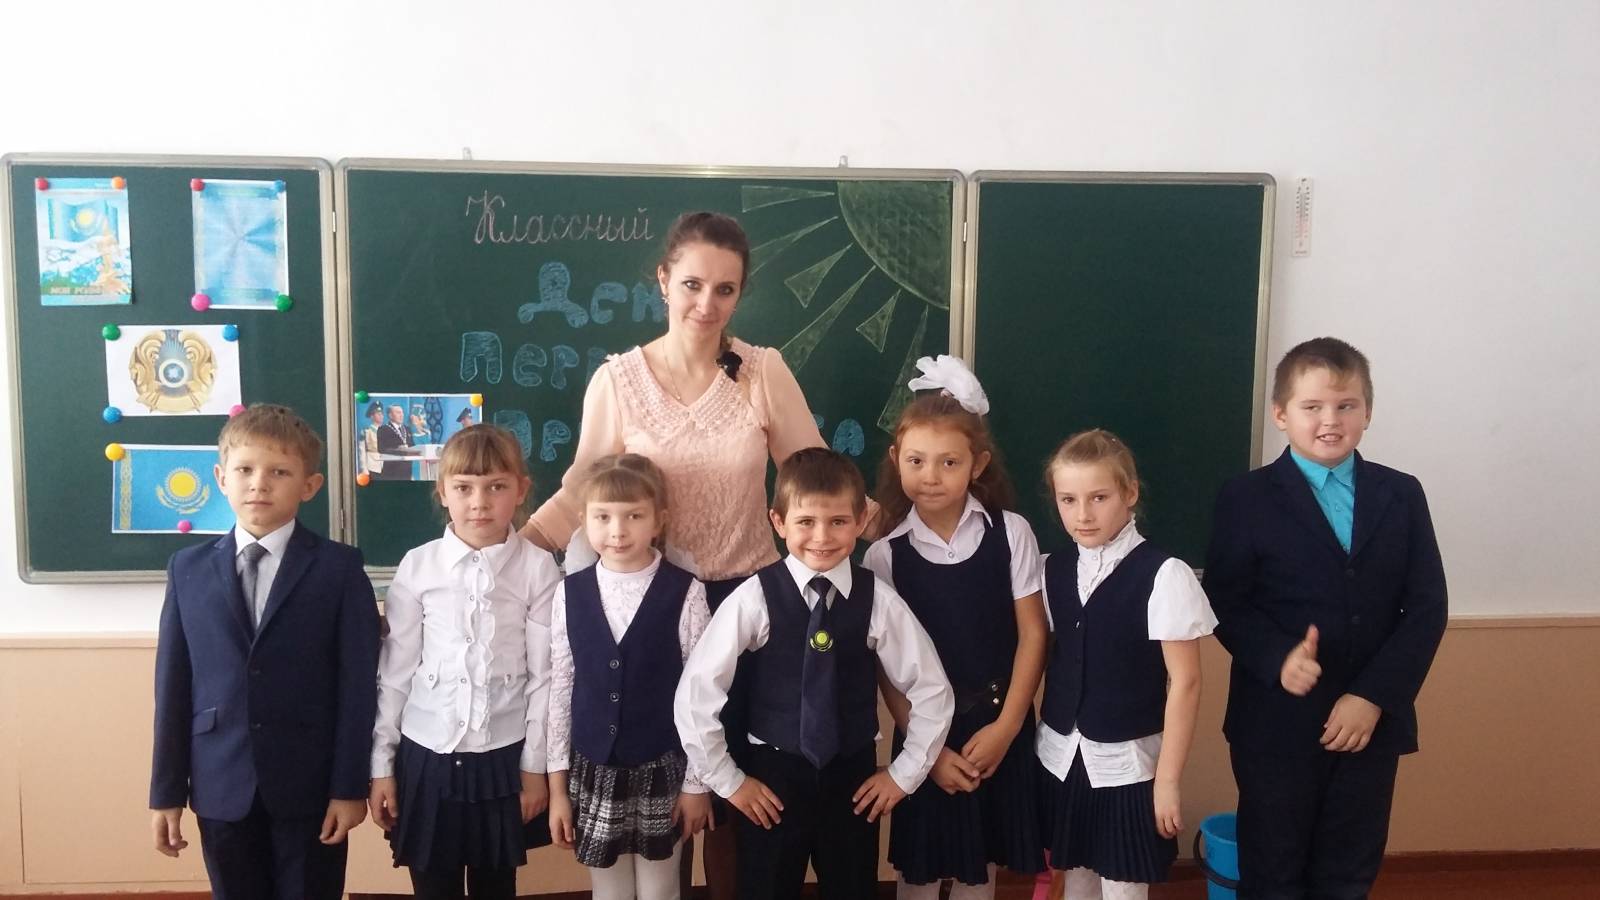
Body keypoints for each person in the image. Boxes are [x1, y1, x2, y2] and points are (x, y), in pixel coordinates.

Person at [523, 211, 828, 898]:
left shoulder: (762, 372)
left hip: (753, 606)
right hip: (655, 607)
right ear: (663, 280)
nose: (706, 304)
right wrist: (511, 553)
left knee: (737, 788)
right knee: (667, 781)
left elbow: (814, 477)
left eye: (725, 289)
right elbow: (582, 491)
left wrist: (889, 519)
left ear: (741, 293)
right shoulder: (619, 381)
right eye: (692, 284)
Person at [1204, 337, 1447, 900]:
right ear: (1281, 415)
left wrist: (1373, 697)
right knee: (1274, 872)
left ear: (1368, 412)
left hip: (1369, 726)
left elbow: (1427, 607)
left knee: (1348, 872)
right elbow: (1225, 600)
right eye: (1312, 407)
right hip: (1275, 726)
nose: (1330, 420)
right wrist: (1278, 658)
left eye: (1346, 405)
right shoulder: (1245, 497)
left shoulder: (1402, 494)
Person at [675, 448, 954, 900]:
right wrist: (729, 781)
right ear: (778, 521)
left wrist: (903, 775)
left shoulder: (877, 600)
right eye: (806, 521)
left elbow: (931, 688)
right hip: (772, 782)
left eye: (838, 521)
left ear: (861, 521)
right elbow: (696, 692)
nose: (822, 537)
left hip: (852, 782)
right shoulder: (754, 597)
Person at [149, 404, 380, 900]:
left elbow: (358, 687)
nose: (259, 484)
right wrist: (166, 792)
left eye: (279, 472)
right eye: (245, 470)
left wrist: (348, 787)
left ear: (309, 485)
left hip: (310, 785)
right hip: (219, 782)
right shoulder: (187, 569)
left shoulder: (338, 569)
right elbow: (172, 687)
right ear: (221, 478)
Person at [863, 356, 1047, 898]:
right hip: (925, 733)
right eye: (917, 460)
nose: (931, 475)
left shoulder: (1010, 533)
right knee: (917, 874)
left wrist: (1007, 728)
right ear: (896, 460)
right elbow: (888, 671)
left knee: (979, 873)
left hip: (997, 725)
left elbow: (1034, 635)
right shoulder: (884, 555)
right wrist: (927, 752)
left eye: (949, 462)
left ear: (978, 463)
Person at [369, 424, 561, 900]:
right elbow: (395, 674)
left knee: (497, 887)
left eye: (496, 486)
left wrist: (534, 767)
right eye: (464, 488)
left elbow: (544, 678)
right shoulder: (418, 565)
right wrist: (382, 766)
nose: (479, 502)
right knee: (433, 887)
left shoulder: (538, 568)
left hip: (503, 755)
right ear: (443, 492)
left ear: (521, 490)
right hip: (426, 753)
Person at [1036, 429, 1214, 900]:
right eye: (1068, 500)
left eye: (1099, 497)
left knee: (1122, 889)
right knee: (1076, 883)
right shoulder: (1052, 568)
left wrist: (1168, 782)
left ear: (1130, 493)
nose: (1083, 514)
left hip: (1128, 767)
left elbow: (1187, 683)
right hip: (1061, 757)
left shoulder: (1164, 574)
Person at [547, 454, 714, 899]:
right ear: (584, 521)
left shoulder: (687, 592)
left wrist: (696, 784)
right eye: (603, 517)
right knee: (609, 892)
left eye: (634, 516)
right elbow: (561, 689)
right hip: (594, 767)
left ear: (658, 520)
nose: (618, 531)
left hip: (663, 766)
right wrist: (557, 789)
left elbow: (702, 695)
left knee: (661, 890)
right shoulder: (569, 593)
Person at [375, 403, 413, 480]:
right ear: (390, 415)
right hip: (391, 471)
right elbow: (381, 449)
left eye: (402, 412)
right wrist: (397, 450)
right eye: (398, 413)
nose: (401, 415)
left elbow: (412, 445)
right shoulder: (383, 429)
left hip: (407, 470)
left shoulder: (407, 429)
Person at [363, 400, 386, 476]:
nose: (381, 416)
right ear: (372, 416)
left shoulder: (386, 431)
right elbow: (362, 452)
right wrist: (364, 470)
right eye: (378, 414)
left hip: (385, 467)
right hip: (372, 467)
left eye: (382, 414)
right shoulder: (367, 431)